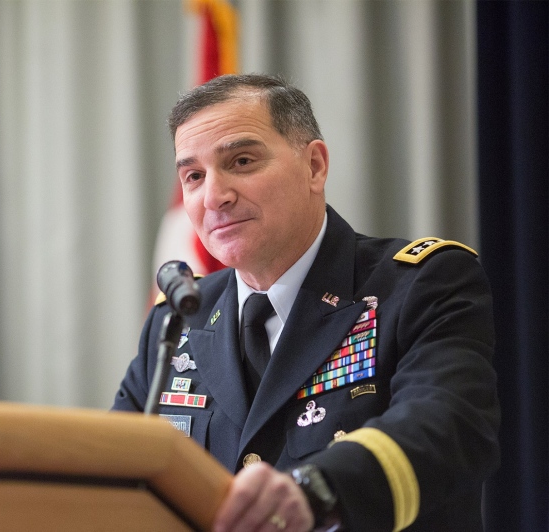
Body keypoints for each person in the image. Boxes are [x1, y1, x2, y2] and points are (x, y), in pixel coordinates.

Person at [112, 74, 500, 531]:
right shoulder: (177, 320)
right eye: (193, 176)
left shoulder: (422, 283)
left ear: (314, 166)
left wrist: (315, 490)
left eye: (241, 161)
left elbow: (450, 427)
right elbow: (115, 473)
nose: (214, 196)